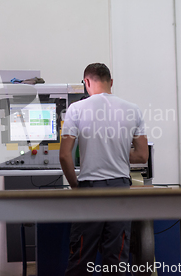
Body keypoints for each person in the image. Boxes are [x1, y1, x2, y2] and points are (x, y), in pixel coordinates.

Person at [60, 63, 149, 275]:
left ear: (87, 82)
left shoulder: (76, 109)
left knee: (81, 257)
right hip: (120, 190)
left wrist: (76, 186)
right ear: (111, 82)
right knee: (116, 260)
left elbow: (64, 155)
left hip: (90, 189)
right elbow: (142, 155)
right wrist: (116, 148)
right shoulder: (133, 110)